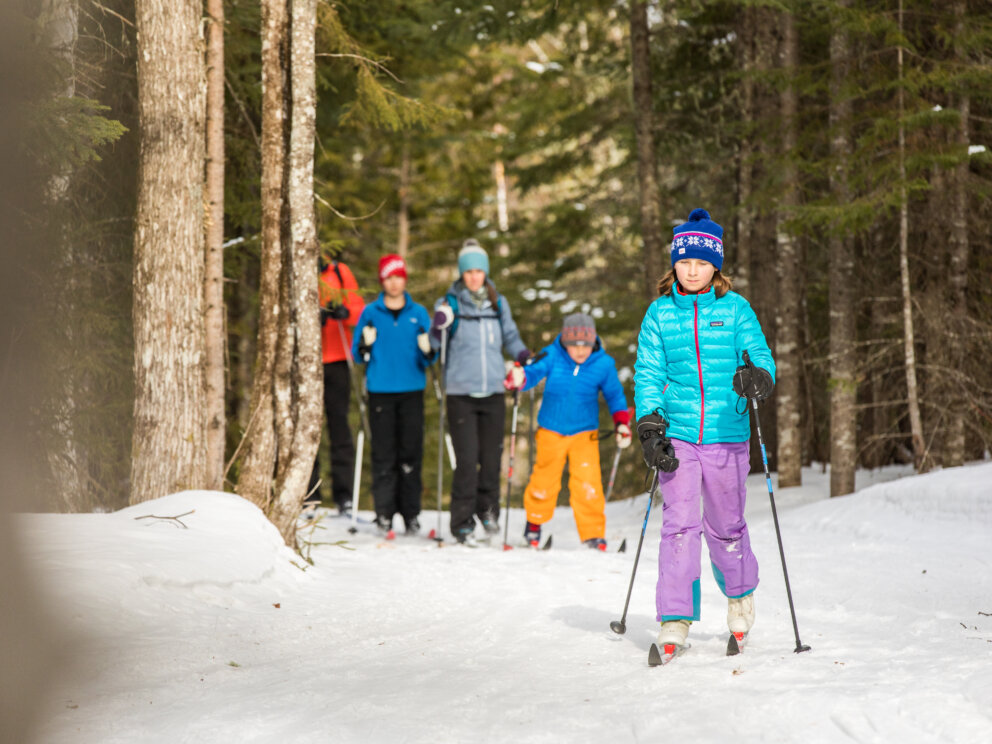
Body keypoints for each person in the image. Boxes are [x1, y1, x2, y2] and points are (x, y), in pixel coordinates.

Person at [633, 207, 776, 654]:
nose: (692, 270)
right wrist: (650, 424)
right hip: (677, 436)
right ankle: (674, 617)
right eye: (684, 261)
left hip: (725, 433)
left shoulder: (736, 309)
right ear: (674, 263)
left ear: (715, 265)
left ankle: (739, 598)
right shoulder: (659, 314)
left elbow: (760, 356)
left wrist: (758, 377)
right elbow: (648, 373)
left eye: (701, 262)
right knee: (679, 526)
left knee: (726, 523)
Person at [430, 238, 530, 546]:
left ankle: (488, 513)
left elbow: (510, 336)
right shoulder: (448, 304)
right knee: (467, 459)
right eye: (469, 271)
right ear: (462, 273)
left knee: (490, 458)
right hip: (461, 393)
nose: (474, 276)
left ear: (485, 273)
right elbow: (435, 347)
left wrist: (523, 355)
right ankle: (461, 523)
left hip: (493, 391)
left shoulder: (497, 303)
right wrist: (437, 327)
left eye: (479, 271)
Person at [503, 313, 632, 550]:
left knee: (588, 483)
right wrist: (520, 378)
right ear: (565, 342)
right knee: (544, 479)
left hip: (585, 433)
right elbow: (533, 373)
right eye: (574, 346)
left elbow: (615, 396)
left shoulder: (603, 364)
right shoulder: (552, 355)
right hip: (550, 430)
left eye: (585, 346)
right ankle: (534, 524)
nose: (580, 352)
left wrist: (621, 423)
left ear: (593, 342)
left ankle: (593, 534)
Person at [350, 255, 434, 536]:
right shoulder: (371, 313)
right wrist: (365, 344)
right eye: (389, 277)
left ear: (404, 279)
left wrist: (427, 349)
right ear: (382, 280)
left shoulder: (419, 313)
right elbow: (358, 356)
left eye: (398, 276)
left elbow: (429, 359)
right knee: (384, 455)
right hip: (380, 393)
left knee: (410, 454)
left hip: (412, 391)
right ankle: (384, 513)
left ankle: (410, 514)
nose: (394, 282)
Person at [307, 255, 366, 515]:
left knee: (339, 426)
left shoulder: (339, 272)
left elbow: (359, 310)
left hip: (338, 358)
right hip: (308, 361)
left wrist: (343, 312)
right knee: (308, 430)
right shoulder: (297, 268)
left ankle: (345, 496)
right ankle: (309, 493)